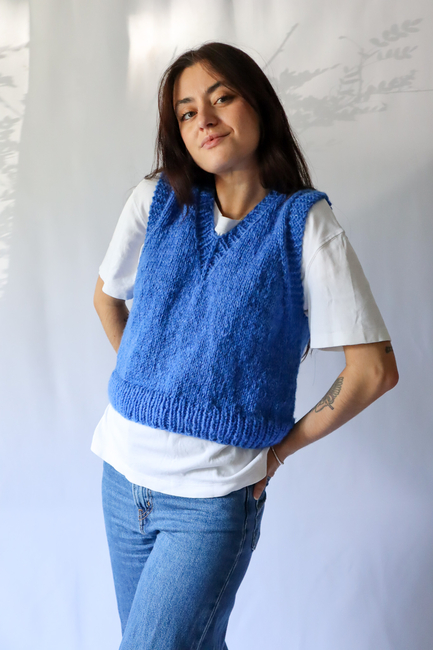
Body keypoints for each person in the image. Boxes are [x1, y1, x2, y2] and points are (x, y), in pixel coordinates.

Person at [92, 42, 398, 650]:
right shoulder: (156, 199)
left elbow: (372, 370)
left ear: (258, 103)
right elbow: (106, 298)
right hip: (123, 477)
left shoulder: (303, 225)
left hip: (211, 499)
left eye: (221, 97)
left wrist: (280, 451)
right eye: (186, 112)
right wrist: (150, 378)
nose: (203, 119)